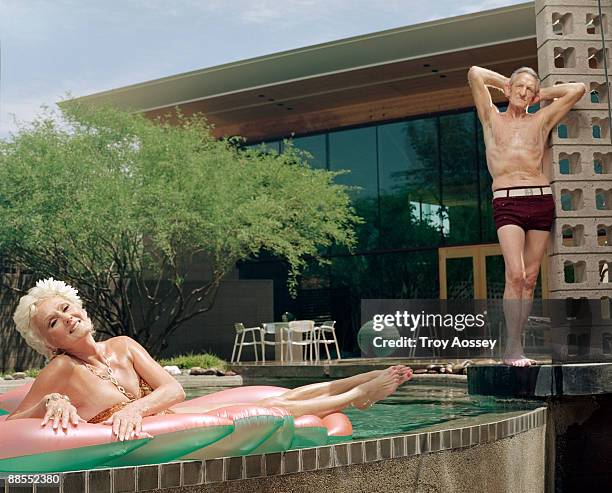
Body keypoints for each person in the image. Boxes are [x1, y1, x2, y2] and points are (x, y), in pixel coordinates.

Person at [6, 278, 412, 441]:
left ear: (81, 307)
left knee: (269, 400)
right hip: (164, 429)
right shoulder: (61, 369)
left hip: (171, 413)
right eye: (53, 323)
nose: (67, 319)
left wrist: (139, 408)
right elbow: (10, 426)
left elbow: (174, 388)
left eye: (66, 308)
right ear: (48, 341)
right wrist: (51, 401)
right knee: (257, 407)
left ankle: (355, 384)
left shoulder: (124, 346)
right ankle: (358, 394)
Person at [468, 66, 586, 367]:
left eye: (528, 89)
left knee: (531, 279)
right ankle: (512, 347)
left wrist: (540, 93)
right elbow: (474, 74)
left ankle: (517, 347)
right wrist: (509, 83)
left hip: (540, 200)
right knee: (516, 274)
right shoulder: (491, 117)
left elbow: (578, 89)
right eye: (519, 87)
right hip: (507, 202)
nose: (523, 93)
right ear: (508, 89)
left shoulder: (541, 119)